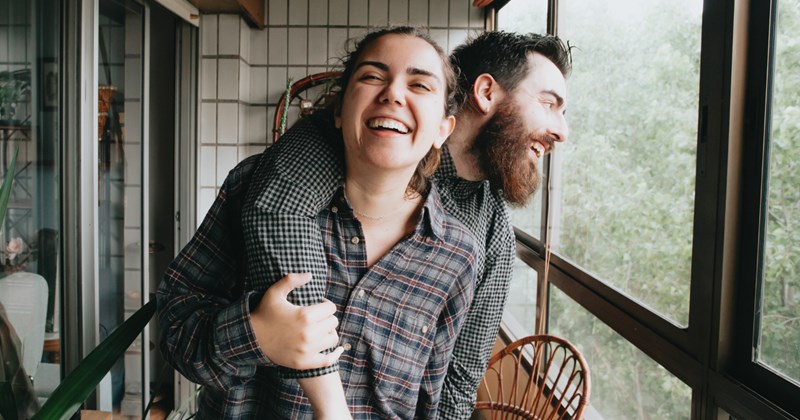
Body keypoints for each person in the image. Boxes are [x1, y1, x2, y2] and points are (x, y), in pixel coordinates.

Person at [158, 29, 571, 418]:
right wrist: (254, 335)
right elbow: (178, 321)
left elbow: (456, 383)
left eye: (420, 85)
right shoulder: (290, 172)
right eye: (549, 103)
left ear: (442, 127)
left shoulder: (481, 238)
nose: (562, 132)